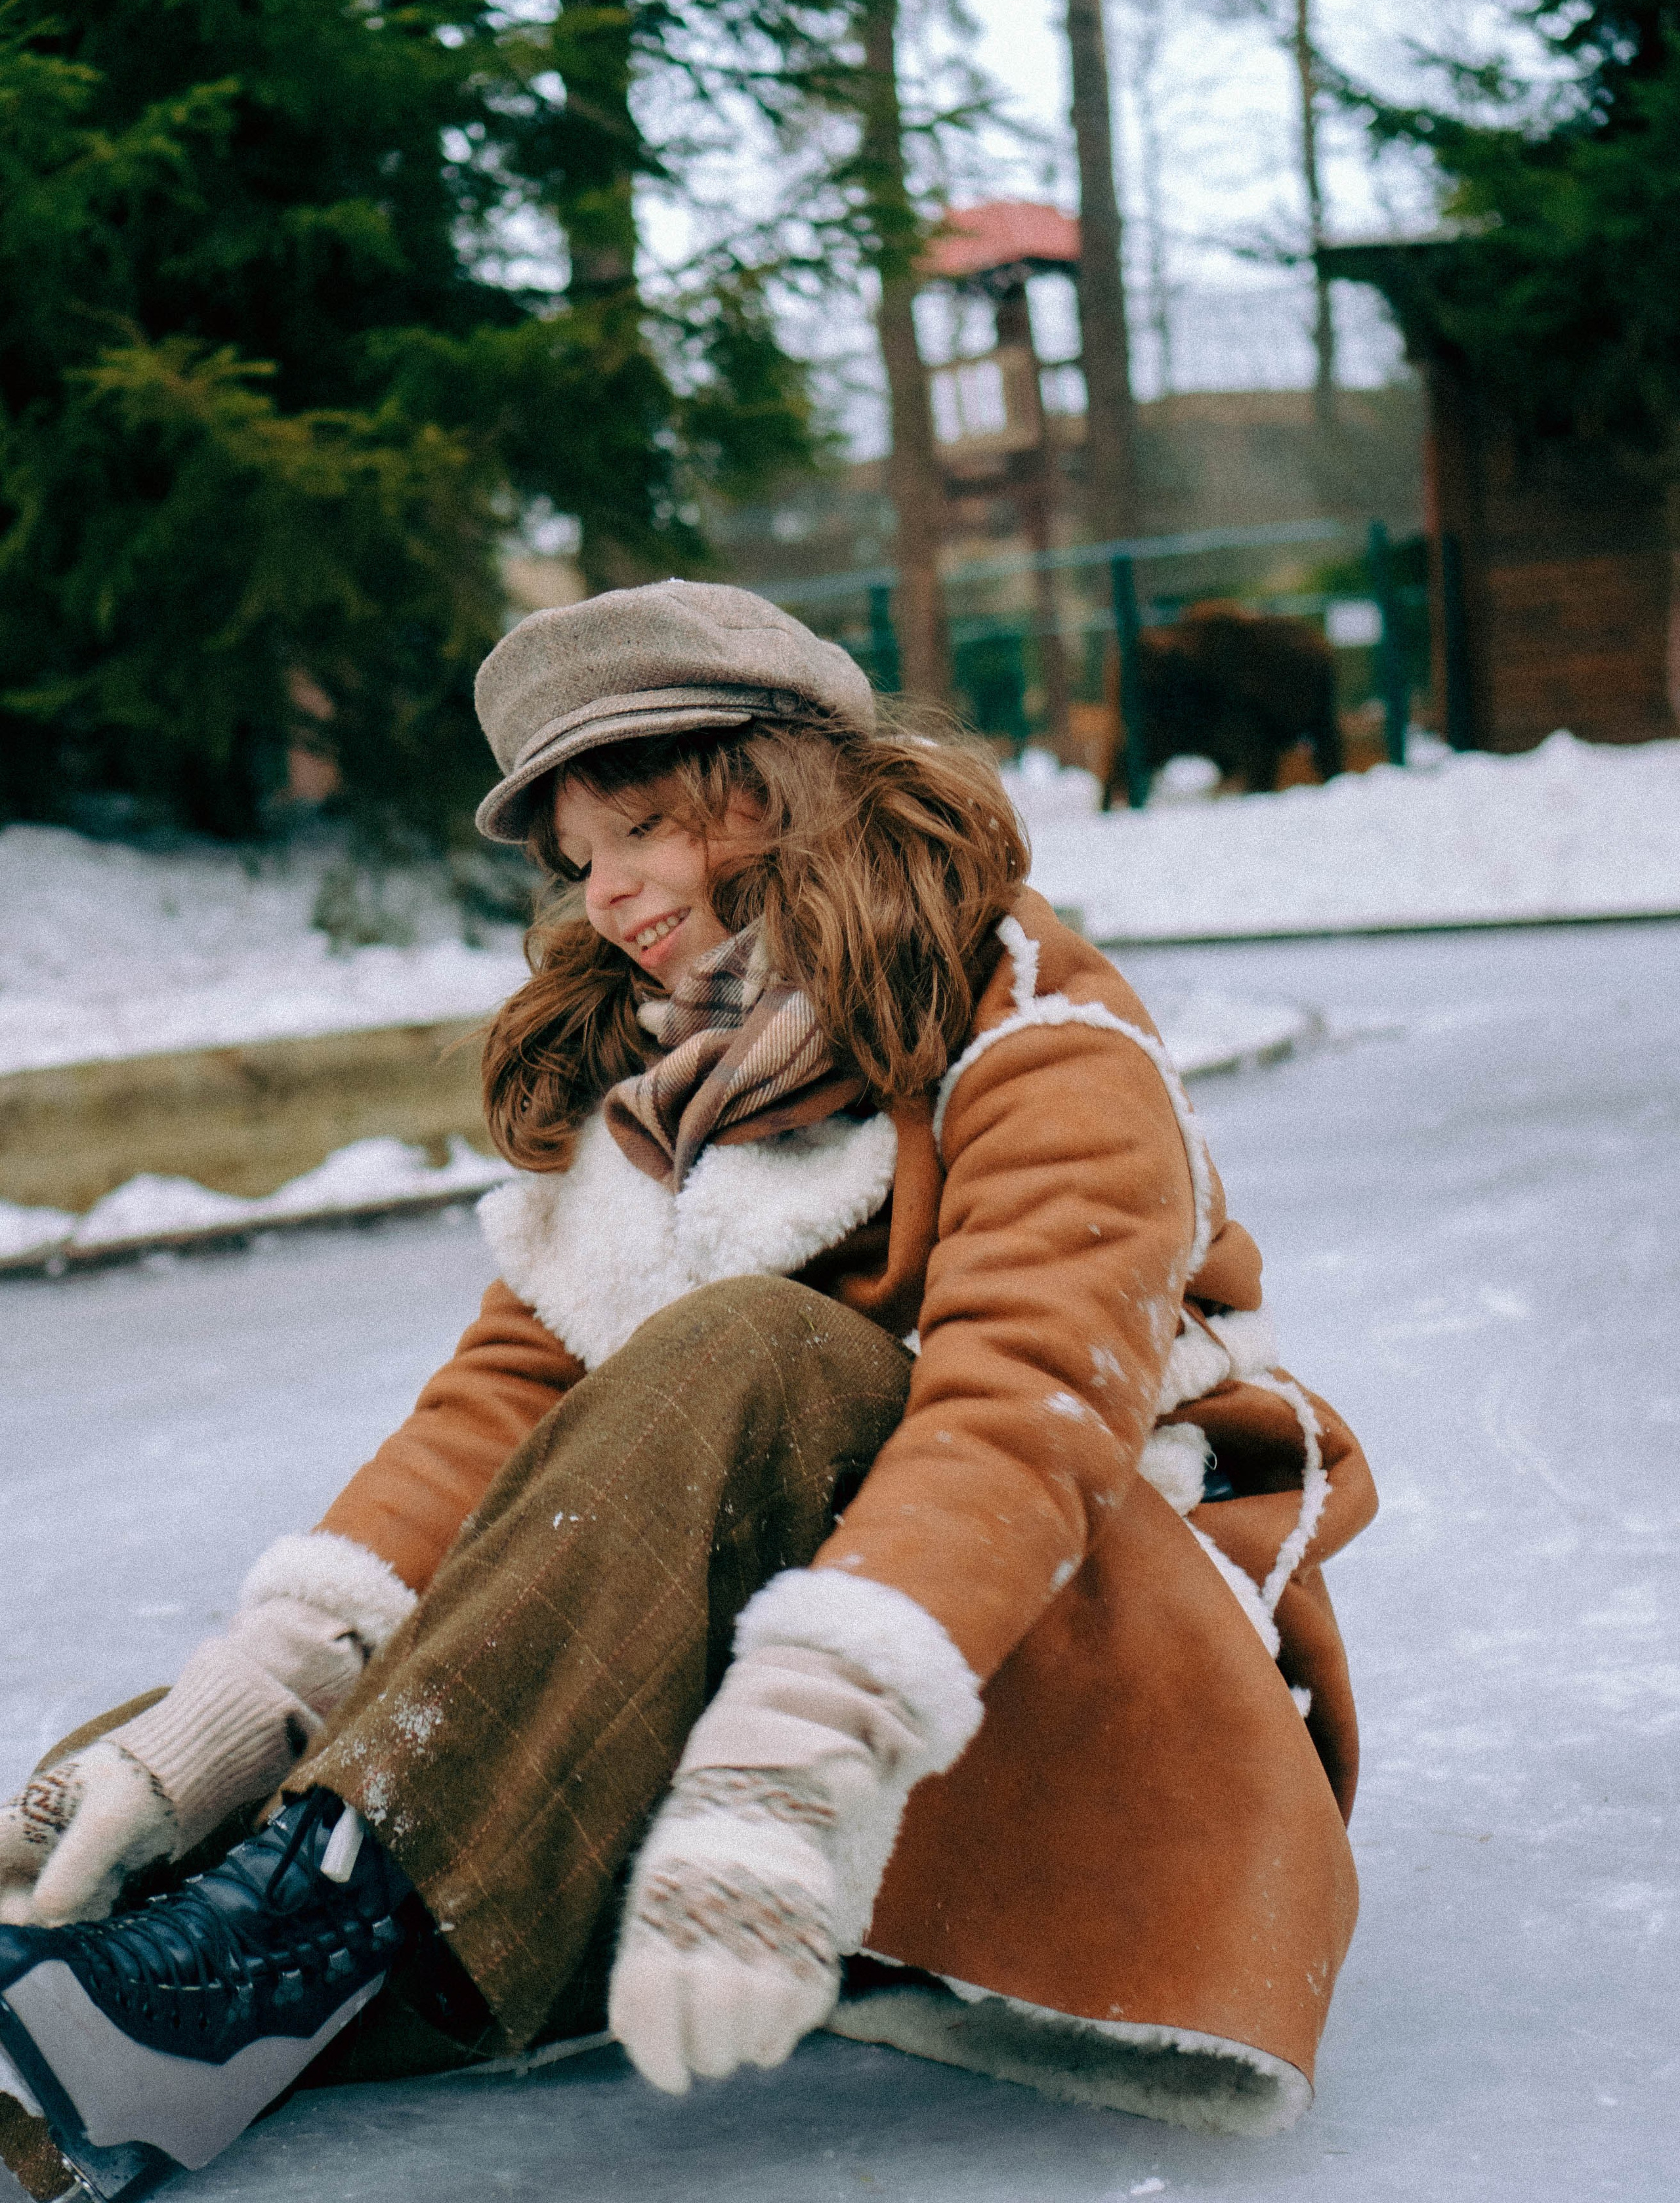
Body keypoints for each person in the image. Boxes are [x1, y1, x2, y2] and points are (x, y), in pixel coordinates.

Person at [0, 583, 1377, 2202]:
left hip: (1035, 1686)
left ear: (783, 789)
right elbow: (494, 1414)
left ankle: (285, 1937)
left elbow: (1019, 1420)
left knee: (750, 1347)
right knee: (138, 1828)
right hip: (734, 1687)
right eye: (581, 861)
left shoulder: (1043, 1047)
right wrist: (221, 1723)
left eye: (642, 827)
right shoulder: (659, 1101)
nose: (613, 897)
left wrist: (786, 1765)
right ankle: (177, 1995)